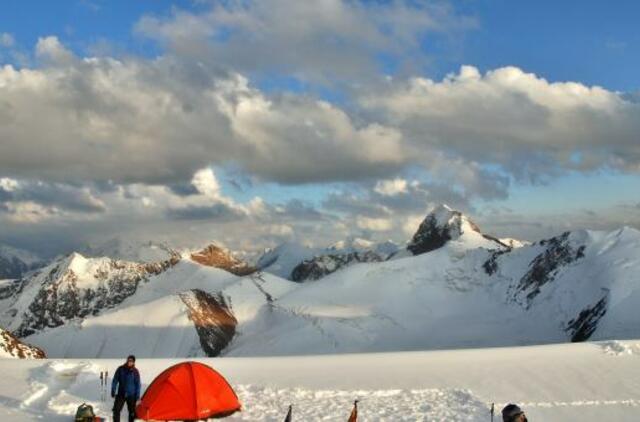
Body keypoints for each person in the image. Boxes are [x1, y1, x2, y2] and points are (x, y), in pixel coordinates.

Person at [112, 354, 141, 422]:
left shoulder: (135, 371)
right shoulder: (120, 369)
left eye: (131, 361)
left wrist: (137, 395)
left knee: (132, 412)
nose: (129, 362)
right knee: (116, 410)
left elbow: (138, 384)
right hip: (121, 393)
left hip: (131, 395)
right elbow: (115, 380)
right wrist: (113, 390)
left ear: (133, 362)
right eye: (129, 360)